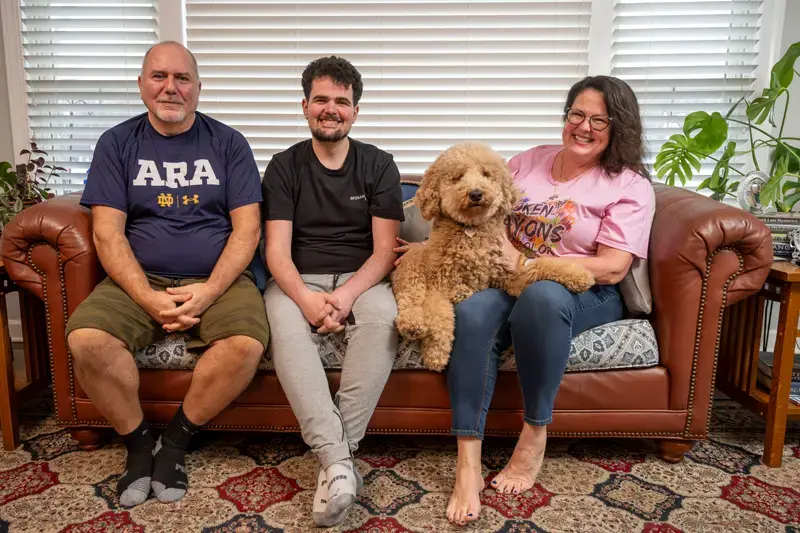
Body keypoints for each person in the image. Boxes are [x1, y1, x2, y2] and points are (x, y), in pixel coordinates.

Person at [395, 75, 655, 526]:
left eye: (599, 119)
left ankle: (534, 433)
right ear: (566, 116)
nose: (584, 126)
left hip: (585, 291)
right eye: (577, 114)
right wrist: (429, 247)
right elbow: (477, 212)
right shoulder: (527, 163)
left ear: (618, 128)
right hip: (507, 279)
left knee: (540, 295)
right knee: (473, 311)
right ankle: (468, 461)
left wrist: (529, 262)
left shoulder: (628, 185)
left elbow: (613, 266)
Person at [66, 41, 269, 508]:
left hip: (217, 279)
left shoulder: (228, 143)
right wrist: (147, 297)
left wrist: (208, 292)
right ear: (141, 85)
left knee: (246, 345)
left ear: (198, 88)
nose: (171, 88)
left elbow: (247, 230)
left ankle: (175, 442)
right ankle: (139, 446)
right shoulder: (117, 144)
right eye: (159, 76)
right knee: (86, 339)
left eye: (182, 78)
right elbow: (108, 235)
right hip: (139, 276)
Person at [262, 56, 403, 527]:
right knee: (282, 325)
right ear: (304, 106)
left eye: (342, 102)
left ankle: (335, 459)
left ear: (355, 111)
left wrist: (344, 298)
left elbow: (385, 252)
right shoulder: (283, 167)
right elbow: (276, 253)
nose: (331, 109)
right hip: (298, 280)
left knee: (384, 317)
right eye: (321, 100)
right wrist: (305, 299)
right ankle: (339, 462)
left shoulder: (379, 165)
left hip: (362, 279)